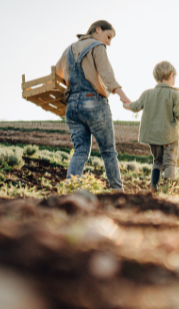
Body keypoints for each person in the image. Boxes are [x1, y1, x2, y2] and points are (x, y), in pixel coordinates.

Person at [55, 20, 130, 192]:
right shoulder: (97, 46)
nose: (109, 43)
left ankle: (70, 190)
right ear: (98, 30)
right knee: (108, 152)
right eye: (108, 37)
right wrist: (123, 97)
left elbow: (57, 73)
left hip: (72, 106)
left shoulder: (69, 49)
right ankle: (117, 192)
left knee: (80, 151)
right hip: (94, 103)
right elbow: (107, 75)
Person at [124, 61, 179, 191]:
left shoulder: (147, 94)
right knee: (170, 163)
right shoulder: (174, 94)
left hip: (153, 137)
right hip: (170, 136)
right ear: (171, 75)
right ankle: (168, 190)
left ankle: (153, 187)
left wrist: (126, 105)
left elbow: (135, 106)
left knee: (157, 161)